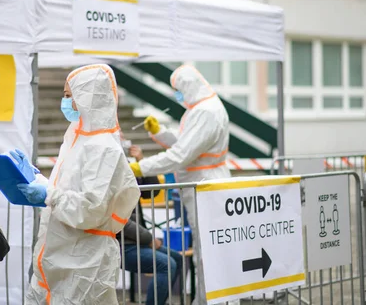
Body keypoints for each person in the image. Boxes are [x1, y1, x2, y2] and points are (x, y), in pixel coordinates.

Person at [16, 64, 140, 305]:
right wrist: (36, 178)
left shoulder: (103, 147)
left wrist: (49, 195)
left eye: (68, 95)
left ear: (87, 96)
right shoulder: (77, 136)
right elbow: (64, 189)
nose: (64, 102)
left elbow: (91, 208)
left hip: (85, 261)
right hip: (61, 255)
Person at [129, 65, 231, 305]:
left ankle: (213, 301)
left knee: (209, 254)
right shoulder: (201, 109)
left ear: (187, 87)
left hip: (207, 188)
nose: (177, 95)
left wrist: (140, 168)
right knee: (204, 252)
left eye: (177, 90)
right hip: (200, 188)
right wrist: (160, 133)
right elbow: (189, 144)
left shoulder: (207, 112)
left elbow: (180, 155)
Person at [120, 138, 184, 305]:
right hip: (120, 244)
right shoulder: (111, 169)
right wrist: (148, 239)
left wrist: (141, 160)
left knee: (176, 259)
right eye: (119, 133)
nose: (124, 138)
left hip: (134, 240)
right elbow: (121, 221)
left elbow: (152, 191)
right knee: (166, 264)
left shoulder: (124, 164)